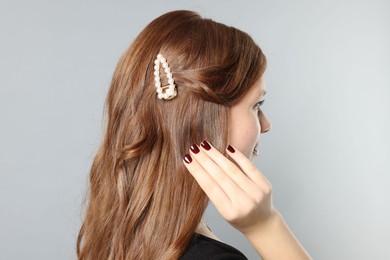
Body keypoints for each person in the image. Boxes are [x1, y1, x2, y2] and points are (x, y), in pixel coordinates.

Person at [76, 10, 312, 260]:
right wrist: (266, 226)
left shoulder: (117, 240)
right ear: (200, 120)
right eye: (256, 106)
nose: (266, 125)